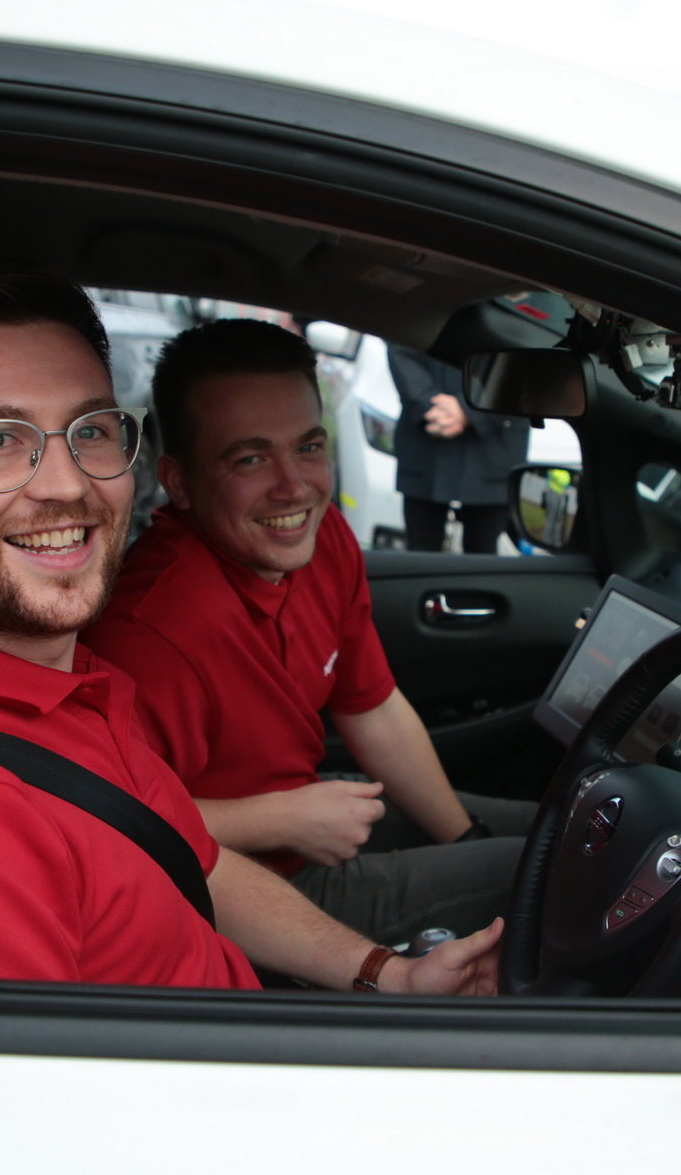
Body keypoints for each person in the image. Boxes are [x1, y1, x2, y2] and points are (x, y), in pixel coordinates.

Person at [0, 272, 501, 994]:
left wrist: (386, 975)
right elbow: (33, 1119)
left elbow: (193, 862)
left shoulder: (60, 681)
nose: (66, 483)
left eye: (91, 430)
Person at [83, 320, 536, 945]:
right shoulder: (152, 634)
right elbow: (104, 822)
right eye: (249, 457)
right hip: (243, 889)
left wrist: (463, 835)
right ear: (178, 481)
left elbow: (372, 707)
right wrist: (277, 820)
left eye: (308, 447)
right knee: (551, 871)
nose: (294, 487)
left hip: (310, 812)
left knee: (562, 831)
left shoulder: (324, 543)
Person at [387, 345, 529, 553]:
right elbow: (399, 343)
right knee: (420, 556)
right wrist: (429, 403)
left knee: (482, 559)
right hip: (426, 441)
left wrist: (470, 408)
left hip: (494, 445)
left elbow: (524, 358)